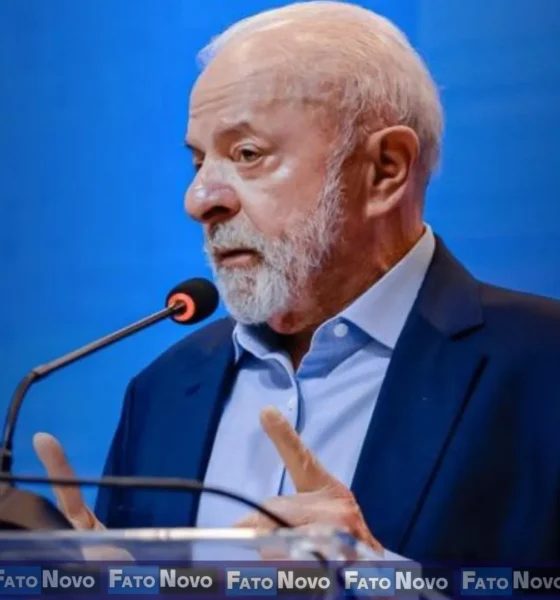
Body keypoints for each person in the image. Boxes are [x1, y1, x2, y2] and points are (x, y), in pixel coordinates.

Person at [33, 1, 560, 563]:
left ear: (385, 169)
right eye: (198, 162)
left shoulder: (543, 369)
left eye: (247, 153)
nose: (198, 199)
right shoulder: (162, 392)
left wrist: (384, 583)